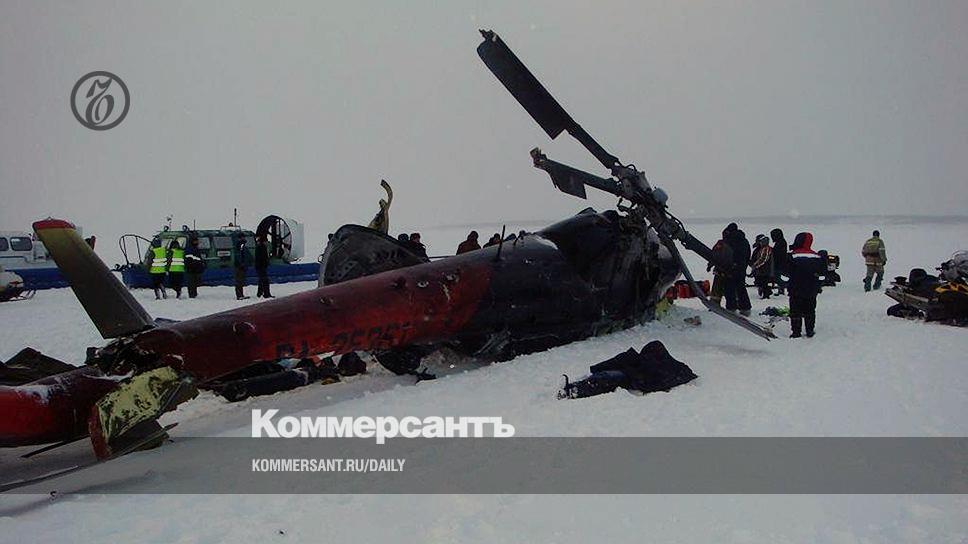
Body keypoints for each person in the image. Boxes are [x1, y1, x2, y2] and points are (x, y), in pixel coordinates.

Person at [787, 232, 826, 338]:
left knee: (795, 311)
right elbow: (822, 275)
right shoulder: (817, 257)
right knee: (810, 311)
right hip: (811, 289)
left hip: (795, 288)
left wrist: (787, 284)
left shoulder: (792, 256)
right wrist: (818, 285)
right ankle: (810, 330)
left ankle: (796, 332)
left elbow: (786, 272)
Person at [723, 223, 752, 316]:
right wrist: (743, 265)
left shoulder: (730, 240)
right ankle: (745, 307)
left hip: (731, 268)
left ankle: (731, 307)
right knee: (741, 288)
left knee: (729, 288)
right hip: (741, 268)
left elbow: (727, 254)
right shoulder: (744, 241)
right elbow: (748, 255)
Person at [706, 233, 734, 307]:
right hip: (725, 271)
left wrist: (710, 265)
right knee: (720, 288)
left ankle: (714, 303)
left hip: (721, 271)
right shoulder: (732, 245)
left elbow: (713, 256)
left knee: (717, 288)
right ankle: (716, 303)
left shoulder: (720, 245)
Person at [749, 234, 774, 299]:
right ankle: (766, 292)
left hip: (765, 269)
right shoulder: (762, 248)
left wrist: (755, 265)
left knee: (763, 282)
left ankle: (766, 294)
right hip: (762, 269)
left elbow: (763, 259)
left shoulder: (766, 249)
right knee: (761, 281)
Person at [232, 234, 251, 300]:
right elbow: (239, 255)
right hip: (239, 266)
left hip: (241, 265)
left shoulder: (241, 245)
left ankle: (241, 294)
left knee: (241, 280)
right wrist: (242, 263)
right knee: (239, 280)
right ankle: (239, 295)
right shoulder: (239, 245)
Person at [770, 228, 788, 295]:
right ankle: (781, 289)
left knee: (777, 277)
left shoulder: (781, 242)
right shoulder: (780, 242)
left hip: (779, 263)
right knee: (777, 277)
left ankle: (783, 287)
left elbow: (778, 253)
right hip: (779, 262)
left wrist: (771, 250)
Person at [255, 234, 272, 298]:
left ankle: (259, 293)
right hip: (261, 266)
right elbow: (263, 258)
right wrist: (265, 264)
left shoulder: (258, 247)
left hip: (259, 266)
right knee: (265, 281)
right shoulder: (262, 247)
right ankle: (266, 294)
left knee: (261, 280)